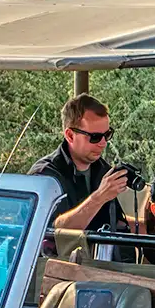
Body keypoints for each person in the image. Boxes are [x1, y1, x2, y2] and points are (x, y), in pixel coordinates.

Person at [32, 93, 130, 259]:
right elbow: (53, 234)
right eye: (95, 137)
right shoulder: (45, 176)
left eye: (107, 135)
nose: (103, 143)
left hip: (99, 267)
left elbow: (116, 225)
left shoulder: (103, 170)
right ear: (70, 135)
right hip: (55, 271)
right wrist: (99, 197)